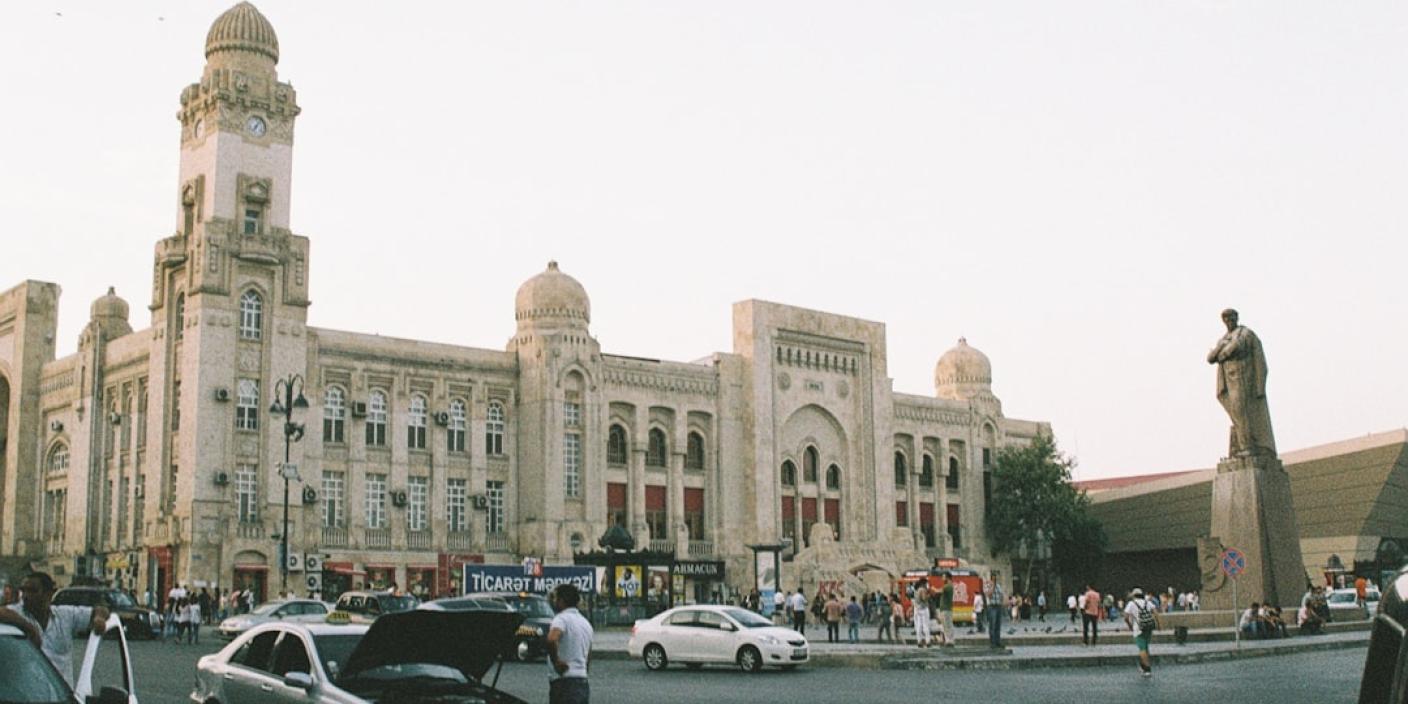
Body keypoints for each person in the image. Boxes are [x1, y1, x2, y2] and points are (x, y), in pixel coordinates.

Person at [0, 572, 110, 687]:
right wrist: (28, 627)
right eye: (24, 590)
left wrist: (98, 618)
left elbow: (101, 610)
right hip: (27, 693)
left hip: (60, 693)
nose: (26, 596)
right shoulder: (16, 613)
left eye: (32, 591)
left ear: (49, 594)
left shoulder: (65, 615)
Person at [1206, 308, 1277, 458]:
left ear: (1236, 318)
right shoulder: (1224, 338)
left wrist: (1222, 350)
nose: (1229, 321)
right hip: (1229, 381)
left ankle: (1248, 446)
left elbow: (1231, 350)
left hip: (1243, 378)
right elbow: (1211, 358)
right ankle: (1244, 444)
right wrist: (1220, 346)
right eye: (1226, 319)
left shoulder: (1245, 333)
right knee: (1237, 413)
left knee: (1242, 411)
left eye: (1231, 318)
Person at [546, 583, 593, 704]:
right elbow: (588, 655)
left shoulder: (561, 619)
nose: (554, 601)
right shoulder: (585, 623)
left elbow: (551, 639)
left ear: (562, 601)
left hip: (564, 683)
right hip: (582, 682)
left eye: (556, 598)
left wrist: (556, 662)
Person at [1123, 587, 1159, 678]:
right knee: (1146, 647)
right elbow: (1156, 613)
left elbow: (1125, 617)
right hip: (1148, 627)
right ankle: (1143, 665)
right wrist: (1158, 624)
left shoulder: (1131, 603)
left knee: (1142, 648)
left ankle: (1147, 669)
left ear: (1134, 595)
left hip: (1138, 628)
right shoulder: (1147, 602)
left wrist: (1130, 626)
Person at [912, 581, 932, 648]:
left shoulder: (916, 591)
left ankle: (919, 641)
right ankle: (928, 641)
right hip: (924, 609)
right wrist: (929, 595)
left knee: (919, 626)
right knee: (926, 625)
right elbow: (924, 598)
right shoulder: (922, 589)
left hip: (917, 609)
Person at [938, 573, 955, 647]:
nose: (942, 578)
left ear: (947, 578)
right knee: (947, 625)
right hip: (947, 608)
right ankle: (946, 640)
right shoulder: (950, 586)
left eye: (943, 577)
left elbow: (939, 591)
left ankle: (949, 641)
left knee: (946, 625)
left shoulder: (947, 586)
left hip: (945, 609)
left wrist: (933, 589)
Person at [987, 580, 1005, 648]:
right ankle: (992, 642)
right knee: (992, 625)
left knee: (998, 625)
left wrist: (1002, 602)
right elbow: (989, 595)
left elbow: (1001, 594)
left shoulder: (998, 586)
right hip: (992, 606)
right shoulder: (988, 585)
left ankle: (998, 641)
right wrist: (992, 587)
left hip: (998, 606)